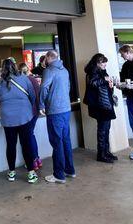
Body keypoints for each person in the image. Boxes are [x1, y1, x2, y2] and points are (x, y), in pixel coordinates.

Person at [0, 58, 38, 184]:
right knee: (26, 144)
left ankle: (11, 172)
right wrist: (27, 108)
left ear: (3, 68)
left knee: (11, 145)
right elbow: (32, 96)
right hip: (24, 116)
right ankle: (31, 174)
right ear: (15, 66)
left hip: (8, 118)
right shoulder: (24, 78)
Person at [39, 50, 76, 183]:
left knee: (56, 142)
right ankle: (70, 170)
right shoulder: (64, 70)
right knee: (66, 140)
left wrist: (42, 105)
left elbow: (43, 88)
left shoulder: (49, 70)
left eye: (45, 58)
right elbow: (68, 87)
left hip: (54, 111)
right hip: (66, 109)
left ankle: (59, 175)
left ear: (49, 58)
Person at [83, 53, 117, 163]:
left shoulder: (101, 71)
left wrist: (110, 85)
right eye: (103, 62)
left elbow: (103, 86)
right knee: (102, 130)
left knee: (106, 129)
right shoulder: (92, 72)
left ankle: (106, 152)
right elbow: (93, 83)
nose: (105, 64)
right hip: (100, 105)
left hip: (105, 104)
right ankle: (101, 154)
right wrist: (105, 81)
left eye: (105, 62)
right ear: (97, 63)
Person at [19, 62, 42, 170]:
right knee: (31, 135)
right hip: (36, 111)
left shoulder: (24, 81)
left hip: (29, 112)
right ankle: (37, 159)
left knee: (28, 137)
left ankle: (33, 161)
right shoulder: (34, 79)